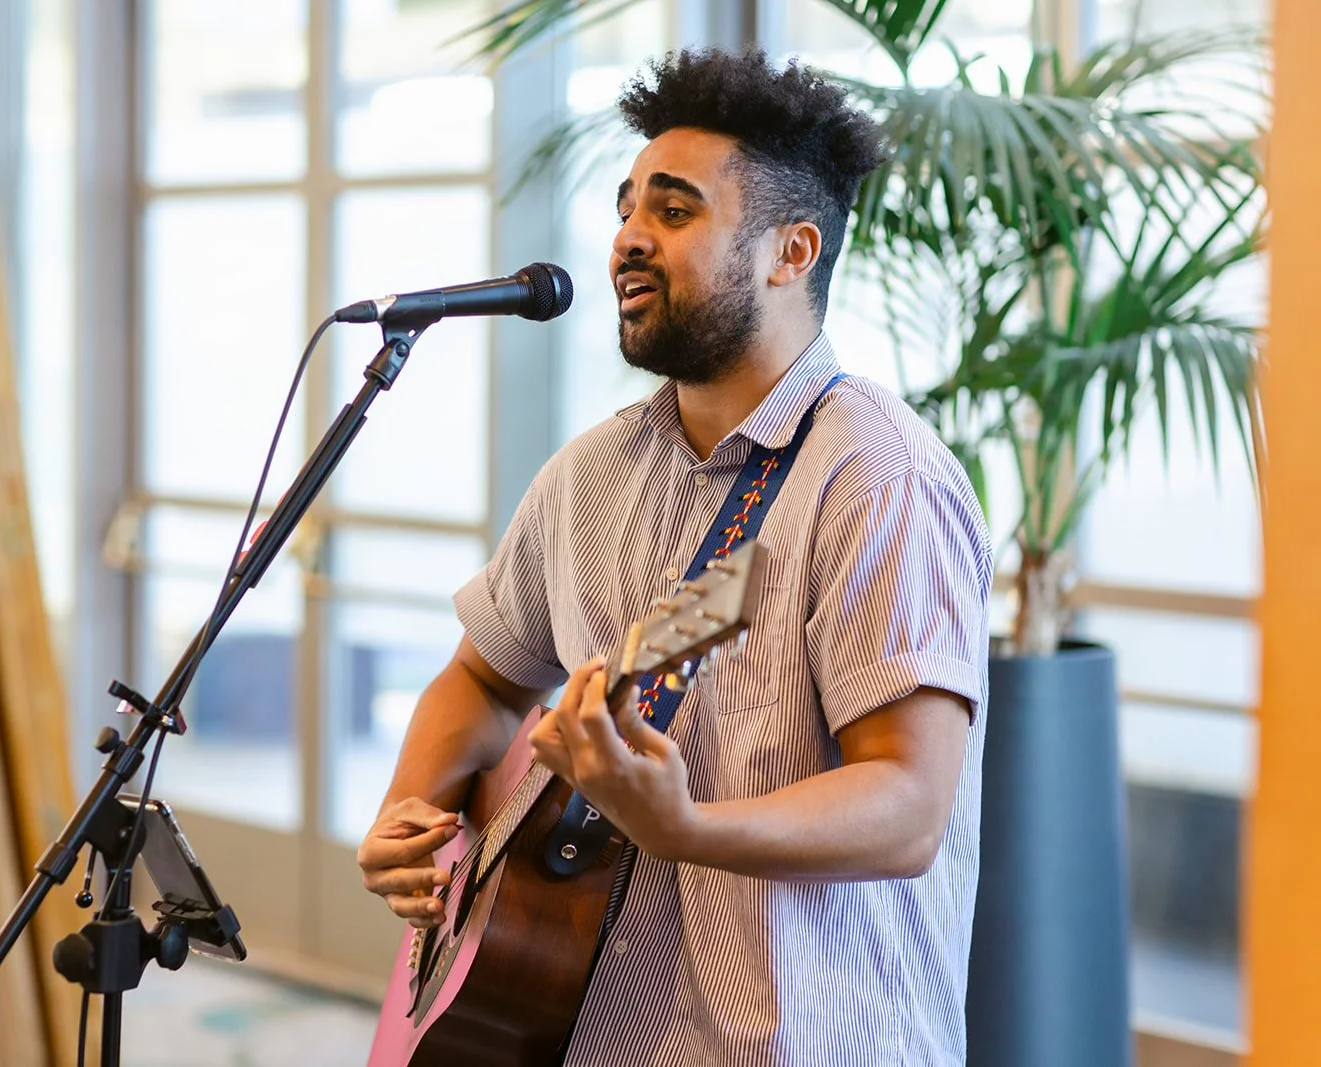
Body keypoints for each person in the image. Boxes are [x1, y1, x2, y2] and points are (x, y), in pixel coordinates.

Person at [357, 47, 993, 1065]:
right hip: (584, 1032)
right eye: (626, 209)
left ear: (791, 252)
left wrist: (686, 825)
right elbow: (482, 677)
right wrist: (412, 805)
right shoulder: (588, 473)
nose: (627, 238)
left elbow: (907, 808)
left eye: (674, 209)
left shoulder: (880, 478)